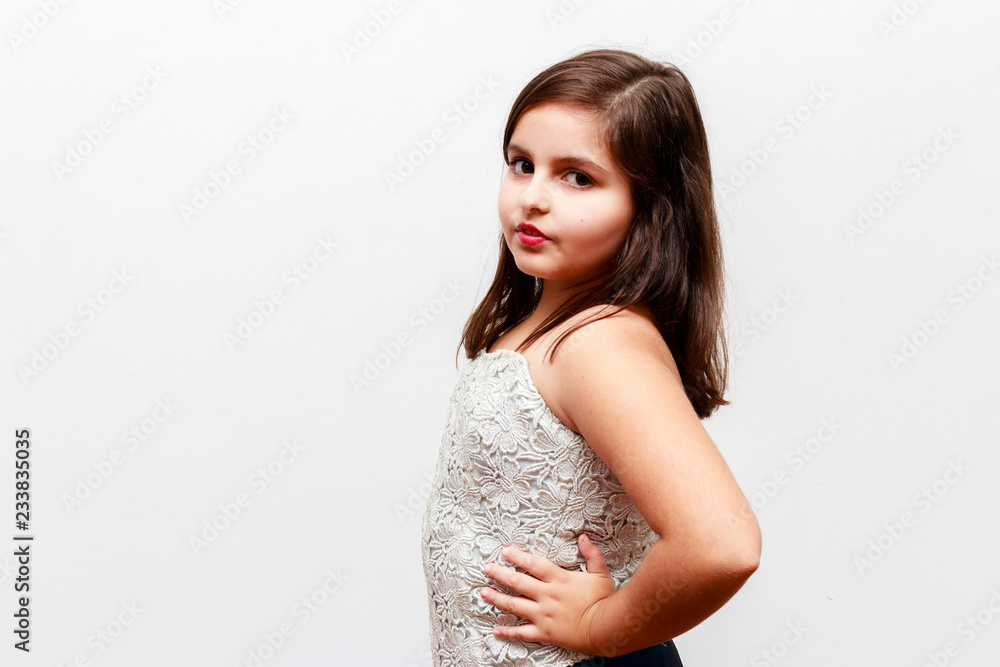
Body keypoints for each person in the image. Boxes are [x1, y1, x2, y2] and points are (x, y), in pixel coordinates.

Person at [421, 47, 762, 667]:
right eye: (522, 165)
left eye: (578, 177)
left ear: (650, 207)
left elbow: (721, 545)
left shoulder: (598, 342)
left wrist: (598, 626)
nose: (532, 198)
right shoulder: (545, 325)